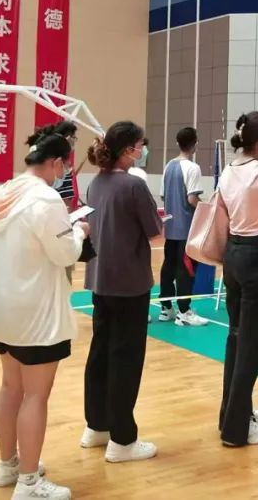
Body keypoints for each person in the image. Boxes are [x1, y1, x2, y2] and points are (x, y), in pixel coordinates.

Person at [0, 131, 88, 500]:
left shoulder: (7, 190)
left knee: (10, 387)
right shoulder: (46, 198)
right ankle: (29, 482)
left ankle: (8, 465)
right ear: (57, 163)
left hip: (4, 307)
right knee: (36, 395)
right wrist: (79, 231)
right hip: (36, 311)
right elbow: (65, 253)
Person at [80, 121, 161, 463]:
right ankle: (122, 439)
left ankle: (96, 426)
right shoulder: (133, 186)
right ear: (129, 149)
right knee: (125, 359)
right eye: (140, 145)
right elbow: (154, 233)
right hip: (129, 283)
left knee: (101, 352)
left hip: (101, 279)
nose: (143, 150)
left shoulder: (96, 182)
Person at [216, 111, 258, 447]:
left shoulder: (229, 169)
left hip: (234, 254)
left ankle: (232, 413)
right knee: (250, 345)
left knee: (236, 337)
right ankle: (237, 428)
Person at [158, 127, 207, 326]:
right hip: (186, 229)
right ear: (195, 144)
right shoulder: (192, 168)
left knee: (168, 268)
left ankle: (166, 309)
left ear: (178, 143)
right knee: (185, 270)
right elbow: (192, 198)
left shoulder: (168, 166)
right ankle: (184, 312)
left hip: (170, 228)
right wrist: (208, 209)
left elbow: (163, 196)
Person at [33, 121, 82, 208]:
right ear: (68, 139)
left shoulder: (45, 166)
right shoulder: (61, 169)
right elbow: (66, 204)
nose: (75, 141)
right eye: (74, 138)